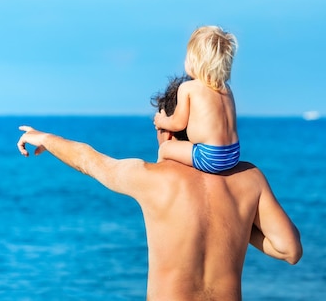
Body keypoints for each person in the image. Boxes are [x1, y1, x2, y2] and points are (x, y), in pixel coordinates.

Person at [16, 76, 302, 301]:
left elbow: (89, 161)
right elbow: (289, 250)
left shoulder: (152, 178)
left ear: (168, 130)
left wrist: (44, 137)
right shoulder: (249, 178)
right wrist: (235, 223)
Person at [154, 25, 240, 173]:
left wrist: (162, 121)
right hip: (233, 154)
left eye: (187, 57)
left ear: (196, 61)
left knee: (165, 149)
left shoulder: (188, 88)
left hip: (209, 156)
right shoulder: (227, 89)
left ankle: (161, 179)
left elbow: (178, 123)